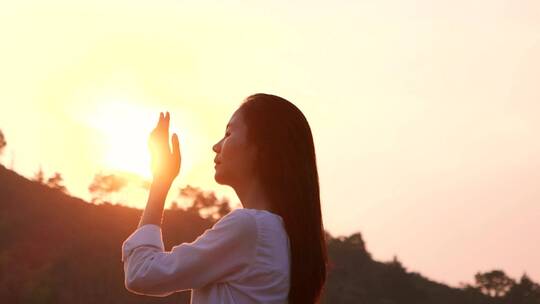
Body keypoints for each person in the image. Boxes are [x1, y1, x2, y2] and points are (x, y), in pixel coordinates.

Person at [122, 93, 327, 303]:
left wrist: (160, 181)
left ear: (262, 147)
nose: (216, 146)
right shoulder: (279, 233)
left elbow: (143, 273)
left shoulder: (250, 227)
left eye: (228, 133)